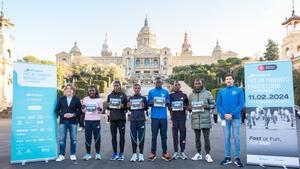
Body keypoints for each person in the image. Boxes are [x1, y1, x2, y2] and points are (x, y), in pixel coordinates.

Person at [216, 74, 244, 167]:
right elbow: (218, 104)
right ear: (225, 81)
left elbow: (241, 104)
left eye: (230, 79)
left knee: (236, 138)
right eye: (227, 79)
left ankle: (237, 158)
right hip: (225, 119)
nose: (228, 80)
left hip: (235, 118)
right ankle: (227, 157)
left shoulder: (239, 90)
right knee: (227, 138)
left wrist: (231, 114)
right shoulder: (221, 91)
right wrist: (225, 114)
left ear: (233, 80)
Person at [188, 79, 214, 163]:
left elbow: (213, 104)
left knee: (206, 138)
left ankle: (208, 154)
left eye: (199, 83)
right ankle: (198, 153)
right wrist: (189, 108)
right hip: (195, 120)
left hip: (205, 119)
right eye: (196, 83)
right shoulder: (191, 95)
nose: (197, 85)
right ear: (194, 85)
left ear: (202, 84)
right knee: (197, 138)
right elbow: (189, 107)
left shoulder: (207, 93)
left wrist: (206, 106)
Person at [55, 84, 82, 162]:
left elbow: (80, 111)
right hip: (63, 122)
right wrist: (63, 114)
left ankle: (72, 154)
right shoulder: (61, 99)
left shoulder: (76, 99)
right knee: (62, 139)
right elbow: (56, 110)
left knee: (73, 139)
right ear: (65, 90)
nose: (69, 90)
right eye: (67, 89)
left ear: (73, 90)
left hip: (73, 122)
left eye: (70, 89)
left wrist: (73, 114)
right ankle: (61, 155)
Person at [147, 77, 172, 161]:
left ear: (162, 83)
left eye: (160, 82)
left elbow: (169, 102)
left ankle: (164, 153)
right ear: (154, 83)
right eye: (157, 82)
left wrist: (164, 101)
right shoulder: (151, 92)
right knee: (154, 136)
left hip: (163, 117)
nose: (158, 83)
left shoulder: (165, 92)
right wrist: (154, 101)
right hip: (154, 117)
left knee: (164, 136)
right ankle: (152, 153)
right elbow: (148, 103)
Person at [107, 80, 127, 161]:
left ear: (120, 86)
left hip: (121, 119)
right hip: (113, 119)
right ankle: (115, 153)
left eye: (117, 85)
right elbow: (108, 108)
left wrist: (123, 106)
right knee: (113, 137)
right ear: (113, 86)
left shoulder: (124, 95)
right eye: (114, 85)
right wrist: (108, 106)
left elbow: (127, 107)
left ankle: (121, 154)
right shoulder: (110, 95)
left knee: (122, 137)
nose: (116, 87)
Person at [127, 83, 148, 162]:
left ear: (140, 89)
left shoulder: (143, 98)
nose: (137, 89)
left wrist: (144, 105)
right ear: (133, 89)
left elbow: (146, 108)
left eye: (138, 88)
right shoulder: (130, 98)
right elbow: (130, 109)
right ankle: (134, 154)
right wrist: (128, 106)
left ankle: (141, 155)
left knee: (141, 137)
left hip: (141, 120)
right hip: (133, 120)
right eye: (135, 88)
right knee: (133, 137)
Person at [169, 80, 189, 160]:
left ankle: (183, 152)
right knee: (175, 135)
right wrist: (171, 108)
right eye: (175, 85)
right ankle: (176, 152)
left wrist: (185, 107)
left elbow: (188, 106)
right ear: (173, 86)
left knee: (183, 135)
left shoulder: (184, 95)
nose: (177, 86)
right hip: (174, 118)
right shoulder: (171, 95)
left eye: (178, 85)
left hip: (182, 118)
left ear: (180, 86)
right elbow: (169, 107)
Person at [82, 85, 103, 160]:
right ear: (88, 91)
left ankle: (97, 153)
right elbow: (83, 111)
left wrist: (99, 109)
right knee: (88, 137)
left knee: (97, 137)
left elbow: (101, 111)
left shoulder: (99, 100)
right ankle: (88, 154)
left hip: (96, 121)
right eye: (90, 90)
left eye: (93, 90)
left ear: (95, 91)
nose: (91, 92)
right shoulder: (85, 99)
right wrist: (83, 108)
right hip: (87, 121)